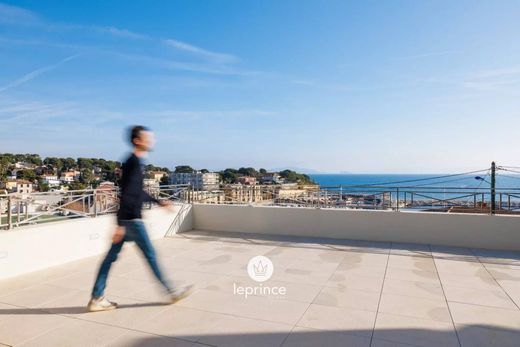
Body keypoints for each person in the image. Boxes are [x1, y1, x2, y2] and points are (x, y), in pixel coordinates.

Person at [87, 125, 193, 312]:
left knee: (111, 258)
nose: (153, 141)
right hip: (132, 221)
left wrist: (159, 201)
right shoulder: (133, 162)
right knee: (150, 256)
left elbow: (138, 191)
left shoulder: (134, 162)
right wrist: (120, 225)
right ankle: (171, 291)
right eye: (148, 138)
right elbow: (127, 194)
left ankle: (97, 297)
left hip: (128, 220)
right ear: (138, 140)